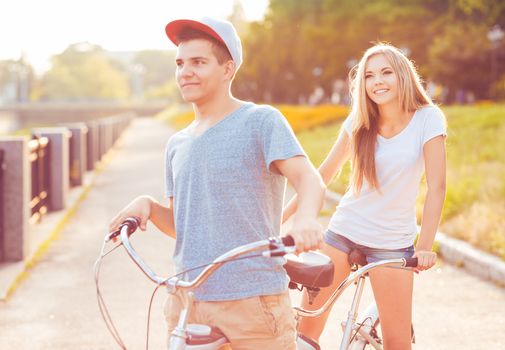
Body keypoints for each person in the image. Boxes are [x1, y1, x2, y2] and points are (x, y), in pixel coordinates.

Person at [109, 17, 325, 349]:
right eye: (180, 63)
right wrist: (149, 207)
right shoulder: (177, 144)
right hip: (186, 300)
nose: (185, 72)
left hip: (253, 301)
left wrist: (307, 219)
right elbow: (184, 226)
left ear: (228, 70)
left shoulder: (260, 121)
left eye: (198, 62)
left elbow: (309, 179)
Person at [283, 43, 447, 349]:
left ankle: (374, 325)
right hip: (343, 233)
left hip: (392, 243)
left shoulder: (428, 118)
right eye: (369, 76)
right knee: (303, 333)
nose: (377, 81)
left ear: (402, 75)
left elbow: (437, 186)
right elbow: (323, 175)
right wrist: (280, 219)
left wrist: (424, 247)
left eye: (386, 73)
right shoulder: (359, 119)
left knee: (397, 344)